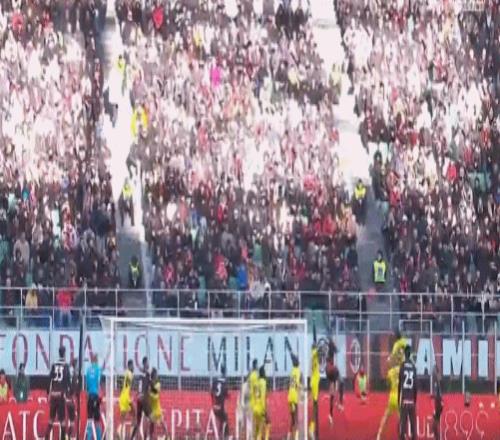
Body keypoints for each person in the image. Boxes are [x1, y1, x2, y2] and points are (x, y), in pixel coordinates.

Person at [45, 346, 70, 440]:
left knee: (51, 419)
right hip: (60, 394)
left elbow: (49, 379)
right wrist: (67, 393)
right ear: (64, 353)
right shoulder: (66, 366)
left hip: (53, 394)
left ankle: (46, 437)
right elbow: (67, 380)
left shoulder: (54, 364)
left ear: (59, 353)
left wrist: (48, 392)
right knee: (62, 420)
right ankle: (62, 438)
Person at [376, 362, 400, 440]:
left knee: (385, 417)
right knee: (401, 419)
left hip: (392, 397)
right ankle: (401, 435)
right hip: (399, 397)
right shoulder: (401, 370)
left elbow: (387, 384)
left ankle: (379, 435)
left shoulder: (390, 372)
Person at [398, 345, 417, 440]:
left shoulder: (402, 366)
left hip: (404, 399)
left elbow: (400, 384)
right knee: (413, 425)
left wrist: (399, 399)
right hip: (411, 400)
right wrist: (415, 400)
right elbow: (416, 386)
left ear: (405, 354)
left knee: (403, 424)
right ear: (410, 354)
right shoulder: (413, 367)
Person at [130, 357, 150, 440]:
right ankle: (145, 437)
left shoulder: (140, 374)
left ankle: (132, 438)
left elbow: (139, 387)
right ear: (145, 364)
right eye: (147, 363)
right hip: (144, 399)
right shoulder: (147, 374)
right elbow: (148, 388)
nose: (148, 364)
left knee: (138, 421)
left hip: (139, 398)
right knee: (147, 418)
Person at [326, 339, 343, 425]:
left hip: (330, 373)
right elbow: (336, 349)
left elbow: (335, 349)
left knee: (332, 394)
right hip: (330, 371)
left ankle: (331, 414)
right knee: (340, 381)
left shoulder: (330, 351)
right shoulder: (331, 351)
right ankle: (340, 403)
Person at [147, 368, 168, 439]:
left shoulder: (158, 383)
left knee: (162, 421)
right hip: (152, 406)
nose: (156, 376)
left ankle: (167, 436)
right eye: (155, 374)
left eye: (156, 374)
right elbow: (148, 393)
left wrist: (150, 384)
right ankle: (150, 437)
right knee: (151, 423)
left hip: (156, 405)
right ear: (153, 375)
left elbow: (155, 392)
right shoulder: (150, 384)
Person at [85, 354, 102, 440]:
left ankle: (88, 438)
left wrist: (87, 394)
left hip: (89, 396)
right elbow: (98, 382)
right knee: (97, 420)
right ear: (96, 360)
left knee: (89, 419)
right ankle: (98, 438)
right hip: (95, 395)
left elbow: (86, 384)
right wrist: (100, 395)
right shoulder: (98, 369)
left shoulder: (88, 370)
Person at [118, 359, 135, 439]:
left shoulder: (126, 373)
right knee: (134, 415)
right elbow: (128, 384)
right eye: (132, 365)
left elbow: (126, 385)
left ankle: (119, 432)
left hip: (123, 397)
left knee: (123, 419)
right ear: (129, 366)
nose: (133, 367)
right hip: (125, 398)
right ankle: (131, 435)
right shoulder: (129, 374)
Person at [287, 354, 302, 440]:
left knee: (292, 419)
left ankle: (288, 437)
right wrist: (303, 388)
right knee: (296, 419)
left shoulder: (292, 371)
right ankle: (296, 438)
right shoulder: (298, 371)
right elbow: (297, 384)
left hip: (289, 396)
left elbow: (291, 383)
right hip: (295, 397)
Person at [309, 326, 320, 439]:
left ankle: (313, 428)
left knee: (315, 405)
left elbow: (315, 341)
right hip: (315, 381)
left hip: (313, 379)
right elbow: (318, 350)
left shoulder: (312, 352)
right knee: (315, 406)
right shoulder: (315, 353)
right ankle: (311, 429)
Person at [211, 365, 229, 438]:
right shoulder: (225, 382)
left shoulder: (215, 381)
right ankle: (225, 436)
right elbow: (226, 394)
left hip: (215, 406)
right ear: (225, 372)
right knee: (225, 419)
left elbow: (212, 392)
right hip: (221, 406)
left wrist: (213, 402)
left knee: (222, 419)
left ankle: (220, 434)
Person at [253, 366, 270, 440]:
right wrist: (264, 410)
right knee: (268, 424)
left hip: (255, 408)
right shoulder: (263, 382)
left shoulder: (257, 382)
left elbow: (254, 394)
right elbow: (263, 397)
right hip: (260, 408)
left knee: (257, 429)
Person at [66, 359, 80, 439]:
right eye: (77, 365)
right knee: (72, 420)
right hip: (70, 399)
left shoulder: (68, 372)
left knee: (71, 419)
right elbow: (74, 387)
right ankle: (68, 436)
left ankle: (68, 435)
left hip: (67, 398)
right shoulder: (75, 375)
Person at [249, 358, 259, 436]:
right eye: (257, 364)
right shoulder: (255, 375)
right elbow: (256, 388)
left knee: (252, 421)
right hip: (255, 401)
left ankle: (253, 435)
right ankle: (256, 436)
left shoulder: (251, 375)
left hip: (251, 400)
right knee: (257, 421)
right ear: (255, 365)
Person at [432, 365, 443, 440]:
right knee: (435, 422)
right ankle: (437, 437)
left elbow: (438, 393)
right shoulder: (436, 382)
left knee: (435, 422)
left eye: (434, 371)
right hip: (438, 402)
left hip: (438, 403)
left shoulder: (437, 382)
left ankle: (437, 438)